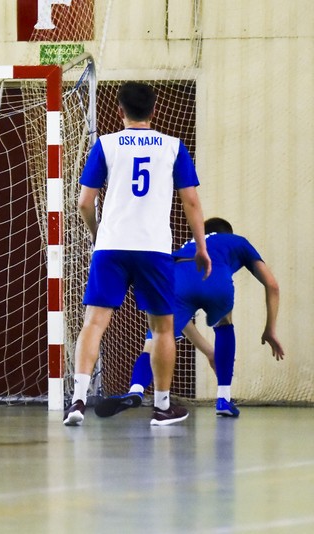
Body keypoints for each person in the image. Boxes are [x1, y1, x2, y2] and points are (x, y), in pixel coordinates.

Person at [64, 81, 212, 427]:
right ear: (154, 110)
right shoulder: (173, 147)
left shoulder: (106, 144)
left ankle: (77, 400)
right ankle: (161, 407)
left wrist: (98, 235)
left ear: (120, 111)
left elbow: (85, 201)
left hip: (111, 245)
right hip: (153, 248)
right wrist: (201, 247)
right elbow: (190, 201)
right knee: (162, 329)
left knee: (94, 324)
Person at [94, 217, 284, 418]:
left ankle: (136, 389)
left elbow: (184, 322)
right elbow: (272, 285)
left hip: (176, 276)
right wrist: (270, 328)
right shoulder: (236, 240)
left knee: (157, 339)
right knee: (224, 323)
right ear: (227, 232)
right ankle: (224, 399)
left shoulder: (190, 244)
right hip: (215, 277)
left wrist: (208, 352)